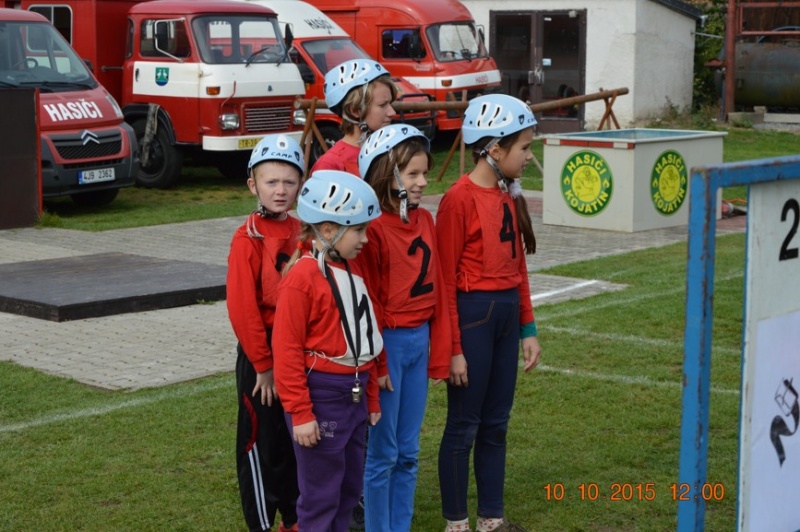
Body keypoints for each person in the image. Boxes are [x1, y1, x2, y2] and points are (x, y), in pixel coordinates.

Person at [436, 94, 542, 532]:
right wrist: (453, 349)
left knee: (496, 423)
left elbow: (518, 269)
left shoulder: (507, 194)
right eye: (524, 148)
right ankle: (457, 522)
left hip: (505, 318)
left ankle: (491, 518)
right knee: (464, 425)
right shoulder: (458, 199)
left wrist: (527, 328)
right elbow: (444, 281)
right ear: (495, 149)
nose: (529, 156)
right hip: (472, 319)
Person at [272, 170, 384, 532]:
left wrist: (371, 398)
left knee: (348, 491)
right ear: (329, 229)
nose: (365, 239)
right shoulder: (302, 278)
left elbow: (363, 341)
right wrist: (301, 413)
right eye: (359, 230)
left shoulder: (348, 267)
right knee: (321, 497)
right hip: (321, 398)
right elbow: (286, 352)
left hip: (352, 397)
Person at [356, 124, 451, 531]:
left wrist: (444, 350)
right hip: (389, 344)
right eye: (413, 173)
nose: (423, 182)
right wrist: (378, 362)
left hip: (419, 340)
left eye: (424, 173)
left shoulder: (425, 219)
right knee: (383, 452)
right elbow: (370, 304)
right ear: (387, 173)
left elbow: (439, 288)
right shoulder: (373, 229)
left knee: (409, 451)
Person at [226, 134, 306, 532]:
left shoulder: (304, 231)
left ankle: (294, 518)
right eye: (271, 182)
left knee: (296, 440)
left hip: (299, 353)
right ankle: (261, 522)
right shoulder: (247, 238)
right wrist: (263, 365)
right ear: (253, 185)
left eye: (289, 182)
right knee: (261, 443)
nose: (280, 190)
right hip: (264, 359)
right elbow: (243, 309)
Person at [311, 58, 398, 176]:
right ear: (355, 110)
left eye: (390, 104)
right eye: (382, 105)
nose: (392, 112)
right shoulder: (330, 165)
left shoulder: (388, 151)